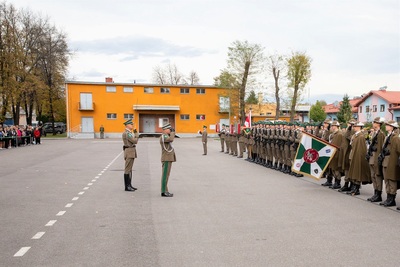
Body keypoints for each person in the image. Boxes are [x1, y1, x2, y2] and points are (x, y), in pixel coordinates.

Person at [379, 120, 400, 207]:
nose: (386, 126)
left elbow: (398, 150)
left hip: (391, 161)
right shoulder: (389, 136)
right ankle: (388, 197)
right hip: (385, 161)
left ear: (392, 127)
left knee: (391, 180)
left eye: (388, 125)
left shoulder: (395, 138)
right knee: (387, 179)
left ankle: (392, 198)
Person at [347, 121, 371, 196]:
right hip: (353, 154)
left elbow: (361, 149)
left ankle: (356, 188)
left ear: (359, 127)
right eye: (354, 126)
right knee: (353, 171)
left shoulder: (360, 136)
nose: (354, 127)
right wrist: (348, 128)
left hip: (357, 156)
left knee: (357, 171)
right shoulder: (355, 135)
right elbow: (347, 137)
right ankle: (354, 186)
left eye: (355, 126)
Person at [366, 117, 385, 202]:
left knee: (377, 176)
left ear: (378, 124)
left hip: (376, 157)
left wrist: (378, 159)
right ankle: (375, 192)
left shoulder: (381, 134)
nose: (373, 123)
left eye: (375, 122)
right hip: (372, 156)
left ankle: (378, 194)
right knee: (373, 176)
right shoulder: (374, 133)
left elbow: (381, 148)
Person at [122, 119, 139, 192]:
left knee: (130, 169)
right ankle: (127, 186)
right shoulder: (127, 133)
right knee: (127, 169)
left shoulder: (128, 132)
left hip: (130, 151)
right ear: (127, 125)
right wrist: (136, 134)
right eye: (131, 124)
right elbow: (135, 141)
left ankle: (129, 185)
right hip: (129, 151)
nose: (132, 125)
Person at [160, 123, 176, 197]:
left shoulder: (166, 136)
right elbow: (171, 139)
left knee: (167, 175)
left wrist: (172, 133)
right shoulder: (164, 136)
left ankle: (165, 190)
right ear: (165, 130)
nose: (170, 130)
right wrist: (173, 133)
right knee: (165, 175)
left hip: (168, 158)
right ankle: (164, 191)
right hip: (166, 158)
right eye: (169, 129)